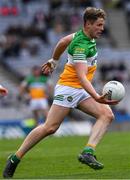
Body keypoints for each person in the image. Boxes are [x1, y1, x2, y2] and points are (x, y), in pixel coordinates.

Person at [3, 7, 118, 178]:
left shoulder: (84, 36)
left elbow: (63, 40)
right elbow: (81, 77)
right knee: (50, 127)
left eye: (103, 25)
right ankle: (15, 158)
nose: (102, 28)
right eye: (99, 25)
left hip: (79, 89)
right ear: (88, 24)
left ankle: (88, 152)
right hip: (69, 88)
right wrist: (96, 97)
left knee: (107, 115)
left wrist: (54, 60)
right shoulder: (80, 46)